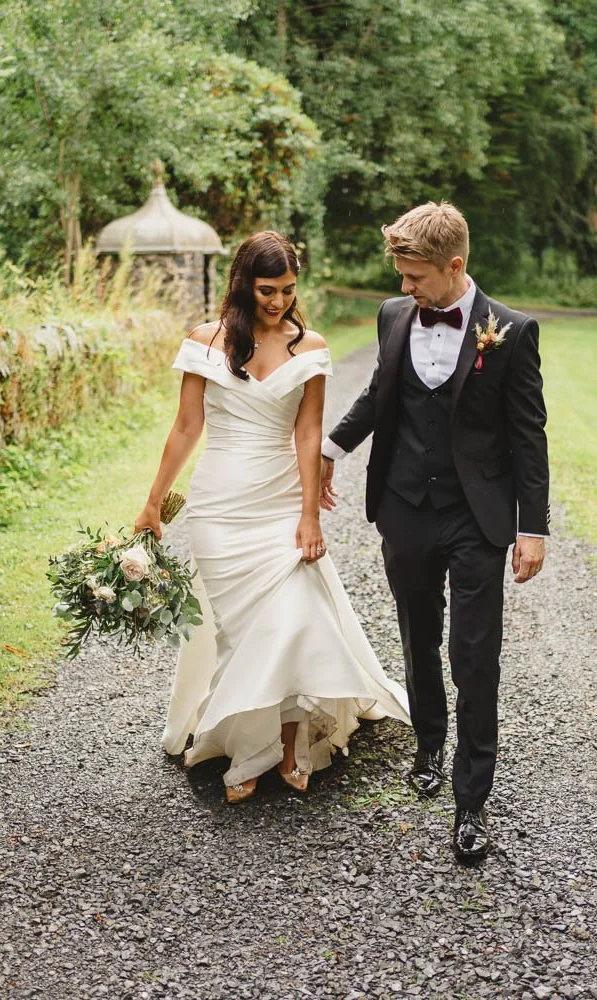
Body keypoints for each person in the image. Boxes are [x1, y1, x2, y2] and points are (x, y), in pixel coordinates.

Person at [137, 231, 411, 803]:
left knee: (292, 621)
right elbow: (186, 428)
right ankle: (247, 748)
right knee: (241, 634)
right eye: (267, 290)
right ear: (244, 284)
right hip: (219, 506)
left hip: (280, 502)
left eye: (288, 289)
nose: (279, 301)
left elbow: (308, 434)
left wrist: (310, 516)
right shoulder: (205, 343)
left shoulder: (308, 349)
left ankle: (290, 746)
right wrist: (153, 502)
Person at [320, 202, 549, 864]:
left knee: (474, 656)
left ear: (454, 266)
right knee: (418, 635)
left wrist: (532, 527)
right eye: (400, 274)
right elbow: (379, 396)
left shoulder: (511, 331)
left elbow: (527, 436)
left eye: (415, 276)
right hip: (404, 507)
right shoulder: (394, 317)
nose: (404, 287)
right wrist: (330, 449)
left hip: (477, 516)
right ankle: (427, 744)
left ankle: (471, 801)